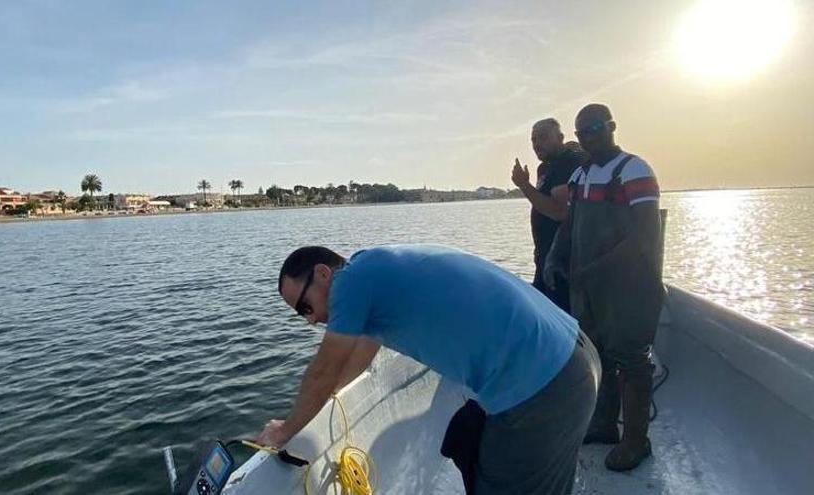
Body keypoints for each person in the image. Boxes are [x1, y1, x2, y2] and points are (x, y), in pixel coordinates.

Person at [257, 244, 599, 494]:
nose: (311, 319)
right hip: (572, 357)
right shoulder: (375, 276)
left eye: (305, 306)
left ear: (323, 273)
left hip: (544, 386)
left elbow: (323, 371)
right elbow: (353, 361)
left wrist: (285, 430)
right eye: (302, 315)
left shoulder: (351, 282)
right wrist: (324, 401)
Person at [545, 103, 664, 472]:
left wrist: (595, 270)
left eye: (595, 128)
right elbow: (569, 224)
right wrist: (554, 258)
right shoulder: (581, 176)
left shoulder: (634, 171)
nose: (589, 137)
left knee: (631, 360)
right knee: (597, 355)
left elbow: (645, 234)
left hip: (628, 290)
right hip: (589, 290)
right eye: (582, 133)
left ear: (611, 126)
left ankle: (636, 440)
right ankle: (603, 424)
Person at [511, 118, 588, 312]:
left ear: (561, 138)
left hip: (562, 264)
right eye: (534, 139)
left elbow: (559, 211)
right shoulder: (545, 168)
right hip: (544, 260)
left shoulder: (568, 162)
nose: (537, 144)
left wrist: (524, 185)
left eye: (543, 138)